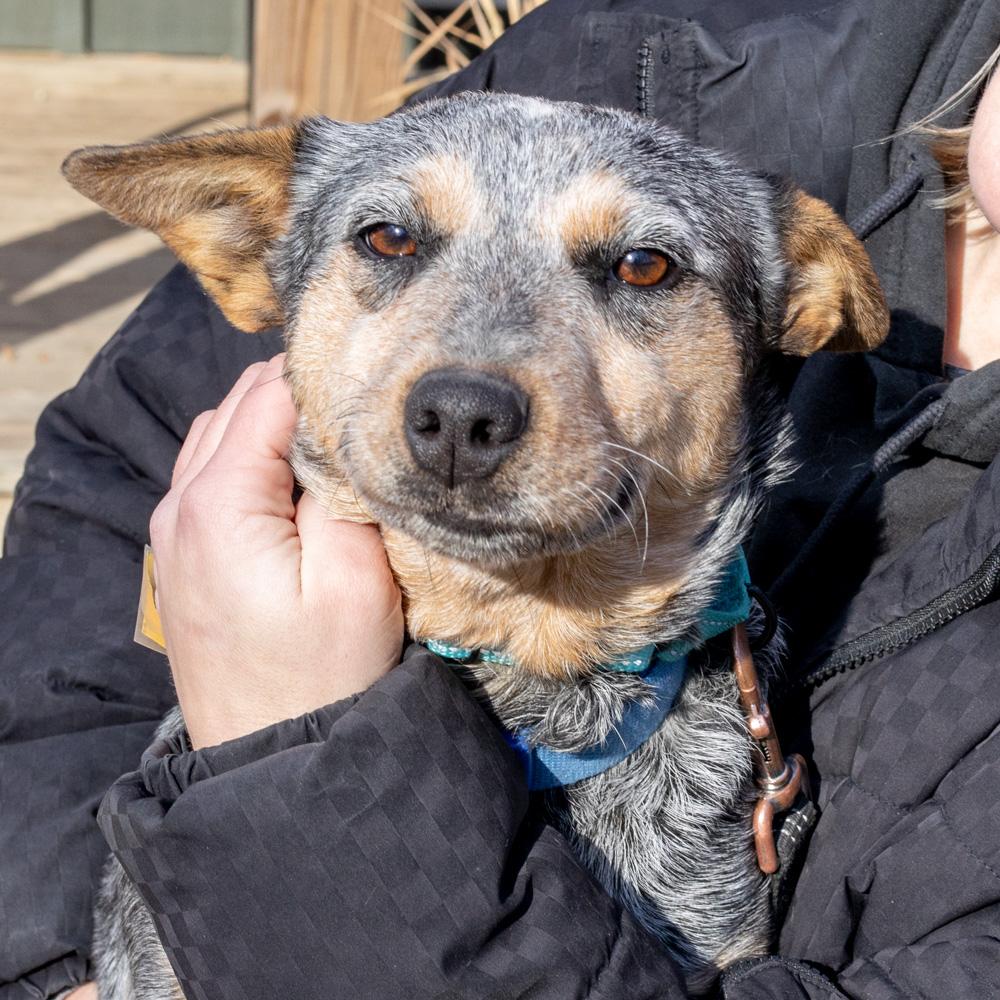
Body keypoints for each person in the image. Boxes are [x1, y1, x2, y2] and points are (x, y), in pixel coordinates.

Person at [3, 0, 999, 996]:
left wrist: (290, 752)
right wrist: (54, 969)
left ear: (799, 305)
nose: (470, 392)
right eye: (391, 240)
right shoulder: (635, 46)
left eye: (639, 267)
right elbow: (92, 524)